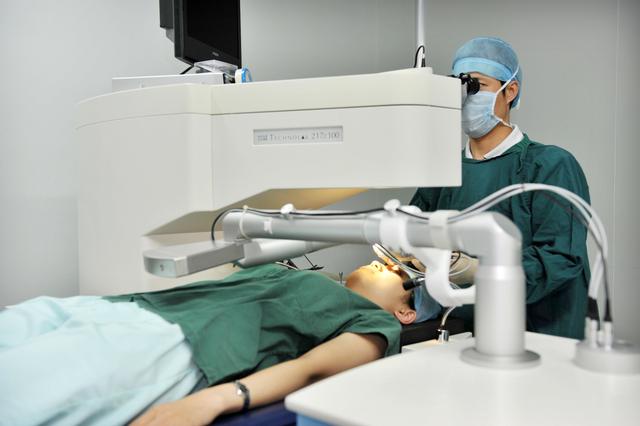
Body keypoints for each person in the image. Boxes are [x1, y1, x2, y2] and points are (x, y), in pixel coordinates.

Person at [0, 261, 416, 426]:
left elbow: (309, 369)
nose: (389, 261)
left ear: (406, 312)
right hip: (116, 307)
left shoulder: (377, 323)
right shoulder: (297, 274)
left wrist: (214, 400)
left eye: (405, 270)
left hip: (167, 346)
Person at [410, 36, 590, 339]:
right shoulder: (443, 171)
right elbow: (411, 238)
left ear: (511, 91)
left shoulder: (549, 166)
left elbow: (559, 257)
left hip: (536, 334)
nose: (466, 97)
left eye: (477, 85)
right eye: (459, 87)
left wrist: (476, 270)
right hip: (459, 333)